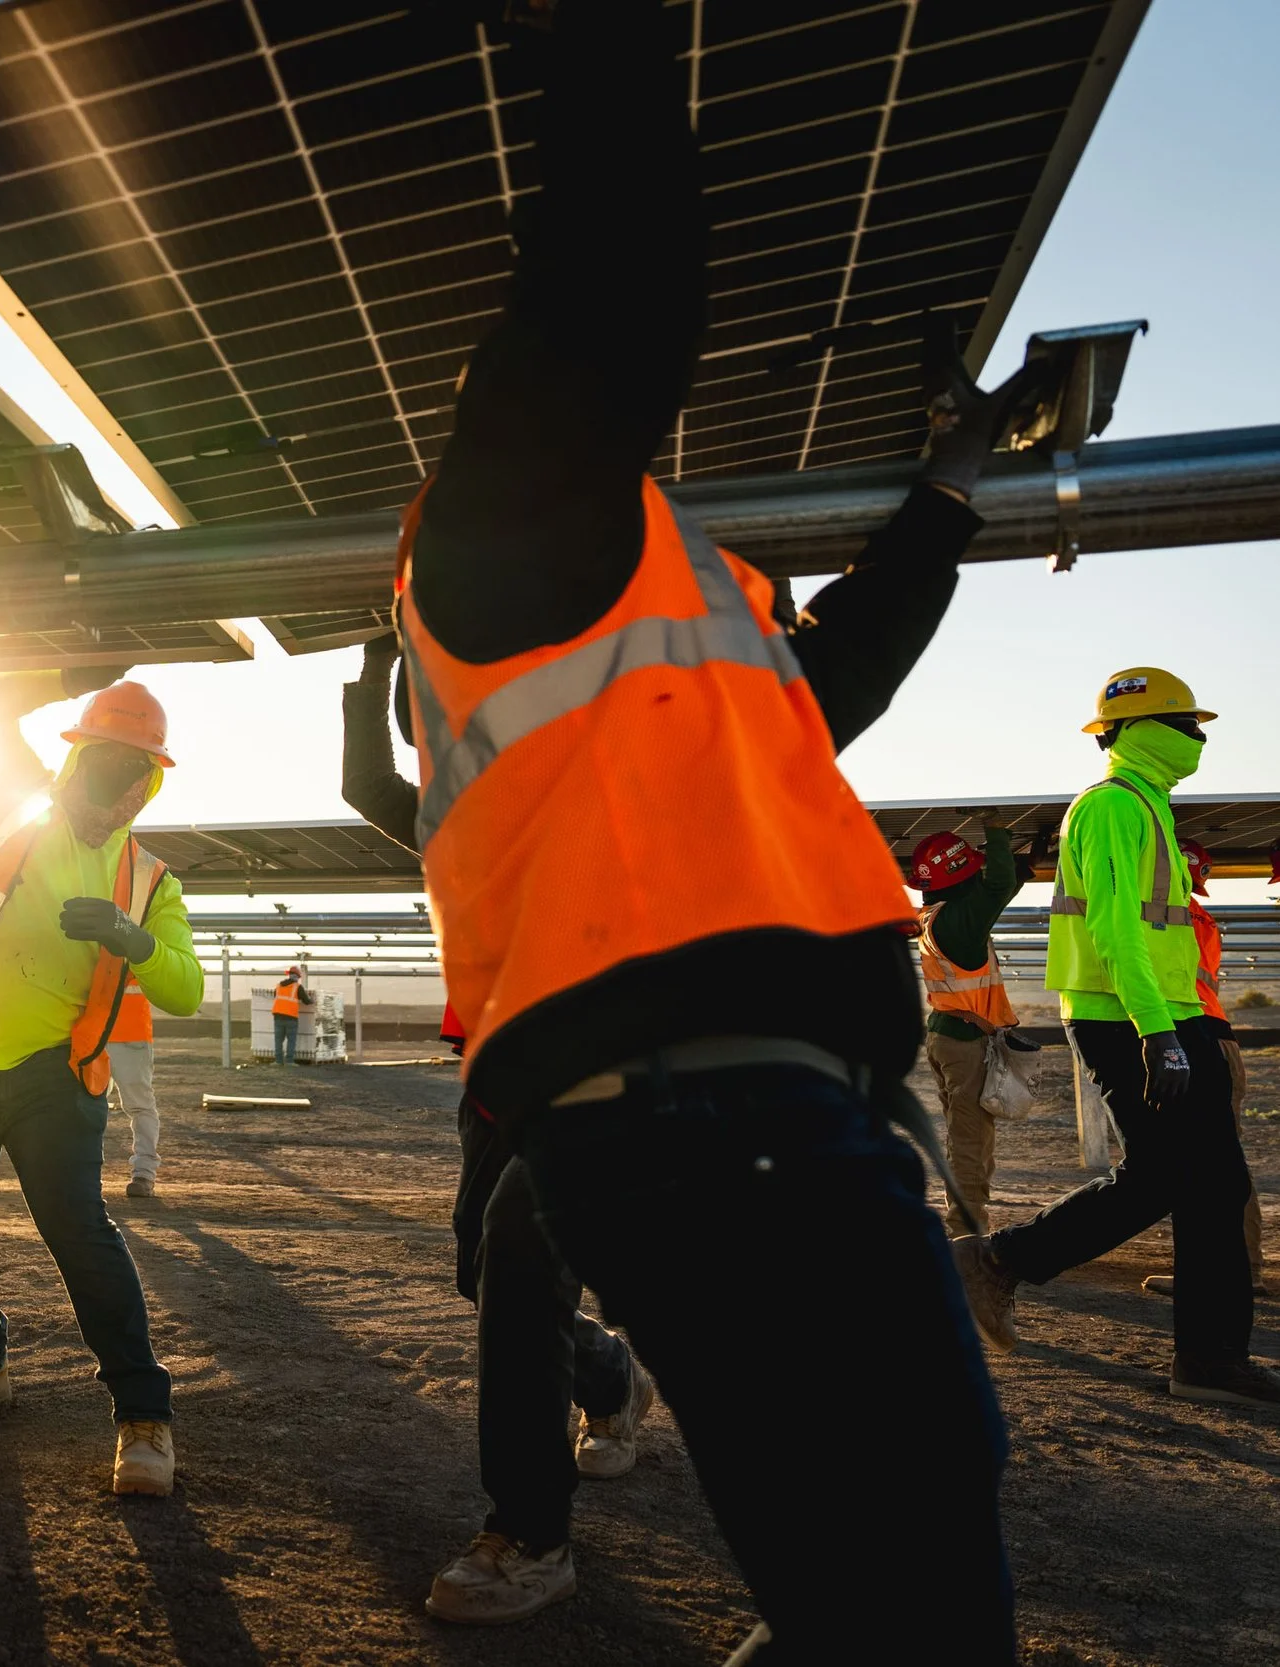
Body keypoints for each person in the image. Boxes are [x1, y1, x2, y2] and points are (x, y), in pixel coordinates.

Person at [391, 2, 1048, 1654]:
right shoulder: (505, 550)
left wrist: (948, 497)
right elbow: (611, 291)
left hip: (752, 1117)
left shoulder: (676, 618)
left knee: (898, 1545)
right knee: (914, 1574)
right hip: (714, 1125)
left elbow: (842, 678)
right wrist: (599, 54)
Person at [343, 637, 654, 1625]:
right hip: (498, 1085)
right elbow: (364, 779)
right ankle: (610, 1380)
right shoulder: (457, 823)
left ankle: (527, 1533)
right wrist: (377, 648)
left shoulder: (611, 794)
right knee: (484, 1270)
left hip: (609, 1075)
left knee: (521, 1252)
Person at [0, 669, 199, 1498]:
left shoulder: (148, 879)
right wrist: (72, 671)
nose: (120, 794)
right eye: (108, 771)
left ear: (150, 783)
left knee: (78, 1233)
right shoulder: (10, 811)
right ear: (77, 760)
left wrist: (134, 937)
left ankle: (143, 1416)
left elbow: (186, 987)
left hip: (51, 1078)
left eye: (138, 779)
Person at [951, 672, 1276, 1410]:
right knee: (1198, 1181)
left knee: (1188, 1180)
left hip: (1164, 1014)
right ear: (1137, 729)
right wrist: (1159, 1035)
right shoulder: (1110, 807)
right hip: (1131, 1019)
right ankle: (1005, 1262)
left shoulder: (1148, 806)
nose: (1199, 737)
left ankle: (1008, 1264)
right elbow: (1114, 927)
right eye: (1185, 723)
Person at [1141, 839, 1268, 1298]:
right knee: (1219, 1158)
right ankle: (1232, 1268)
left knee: (1209, 1160)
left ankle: (1234, 1272)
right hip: (1215, 1036)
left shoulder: (1166, 915)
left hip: (1195, 1037)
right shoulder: (1200, 916)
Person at [909, 826, 1032, 1235]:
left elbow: (993, 895)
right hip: (966, 1041)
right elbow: (996, 887)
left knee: (968, 1134)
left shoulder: (938, 916)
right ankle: (966, 1230)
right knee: (970, 1138)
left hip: (951, 1035)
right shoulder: (959, 921)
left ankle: (967, 1220)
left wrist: (1020, 867)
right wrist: (997, 832)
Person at [108, 978, 161, 1199]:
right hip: (90, 1035)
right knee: (86, 1107)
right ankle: (84, 1176)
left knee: (140, 1106)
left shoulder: (139, 944)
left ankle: (144, 1174)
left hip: (129, 1035)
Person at [271, 966, 307, 1063]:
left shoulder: (278, 986)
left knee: (278, 1040)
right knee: (291, 1040)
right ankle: (289, 1061)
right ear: (297, 976)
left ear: (289, 974)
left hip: (278, 1017)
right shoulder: (297, 987)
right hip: (291, 1018)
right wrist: (313, 1001)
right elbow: (306, 1000)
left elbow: (276, 997)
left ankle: (278, 1061)